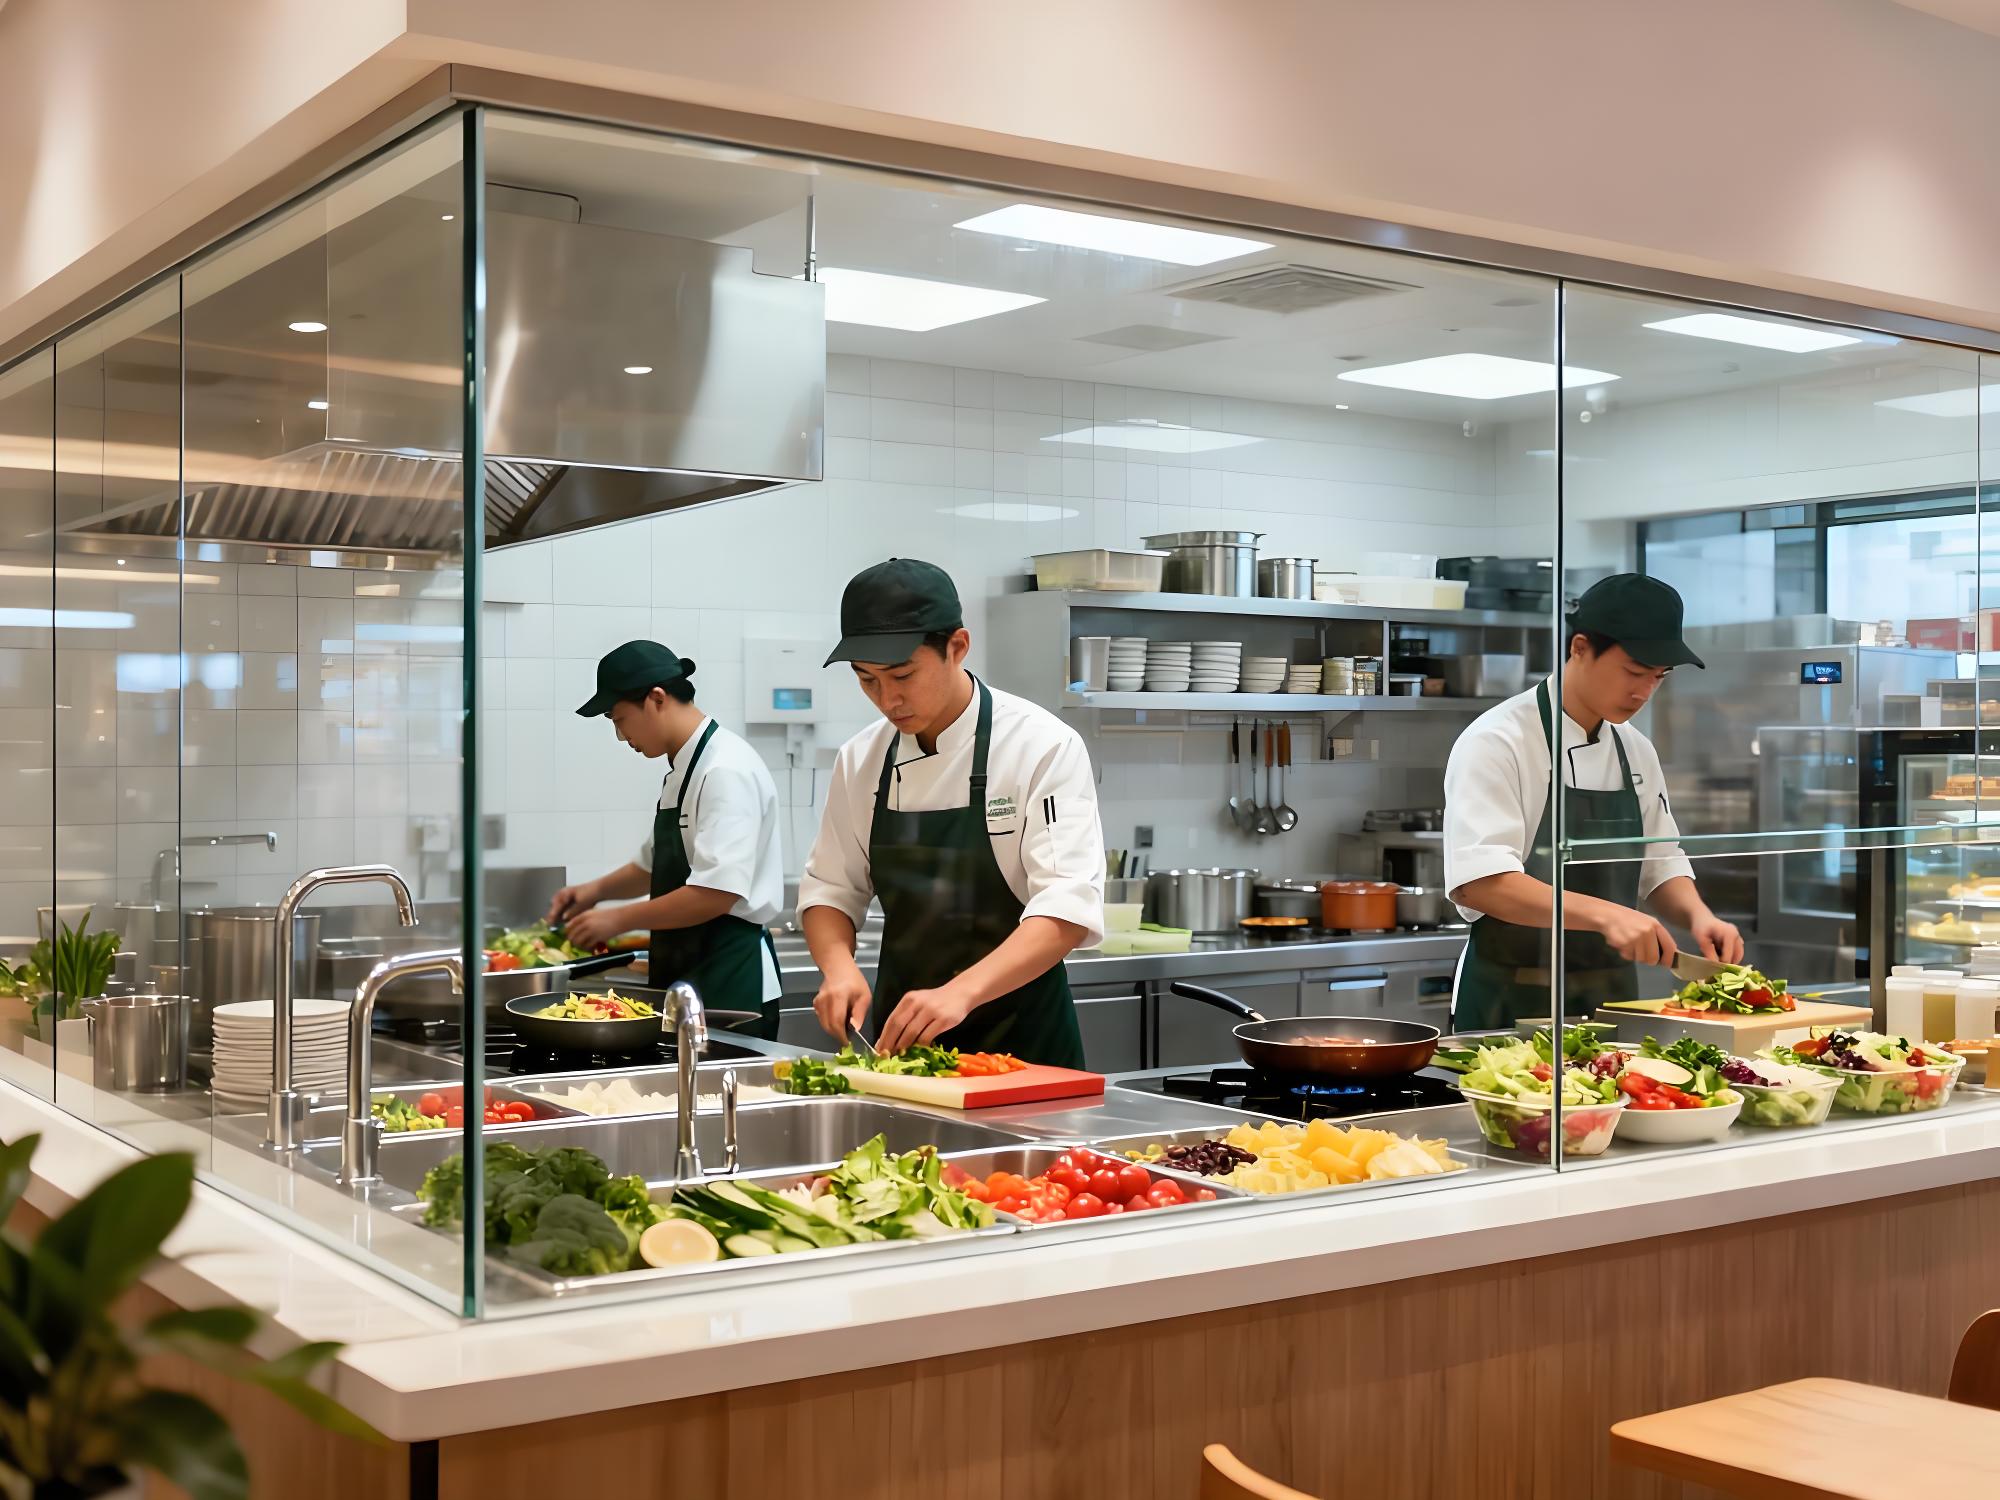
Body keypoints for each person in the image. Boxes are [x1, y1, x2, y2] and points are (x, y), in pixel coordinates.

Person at [798, 558, 1105, 1067]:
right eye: (867, 680)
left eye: (903, 675)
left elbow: (1067, 908)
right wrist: (838, 968)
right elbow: (831, 889)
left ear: (957, 647)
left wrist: (960, 993)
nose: (888, 699)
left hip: (1024, 1050)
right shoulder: (861, 759)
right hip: (906, 1050)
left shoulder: (1041, 745)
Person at [1443, 573, 1743, 1031]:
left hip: (1614, 1001)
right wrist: (1606, 915)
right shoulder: (1497, 740)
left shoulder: (1635, 749)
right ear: (1580, 648)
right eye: (1634, 672)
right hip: (1509, 1000)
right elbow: (1480, 883)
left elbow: (1660, 862)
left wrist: (1698, 917)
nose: (1644, 692)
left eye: (1658, 678)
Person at [548, 640, 784, 1037]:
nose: (621, 736)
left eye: (619, 719)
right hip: (691, 974)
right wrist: (593, 892)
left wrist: (617, 919)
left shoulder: (725, 770)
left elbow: (716, 893)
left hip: (731, 976)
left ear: (656, 699)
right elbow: (654, 864)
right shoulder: (684, 769)